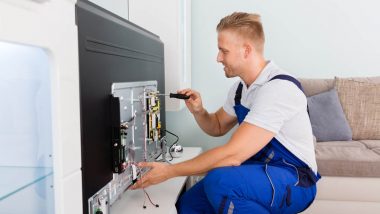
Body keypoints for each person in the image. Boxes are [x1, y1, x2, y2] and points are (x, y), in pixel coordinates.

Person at [131, 12, 320, 213]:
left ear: (246, 50)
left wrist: (170, 171)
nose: (218, 58)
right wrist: (199, 111)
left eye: (224, 51)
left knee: (220, 182)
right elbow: (218, 126)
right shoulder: (240, 89)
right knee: (188, 205)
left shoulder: (277, 89)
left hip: (295, 178)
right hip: (259, 169)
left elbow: (233, 155)